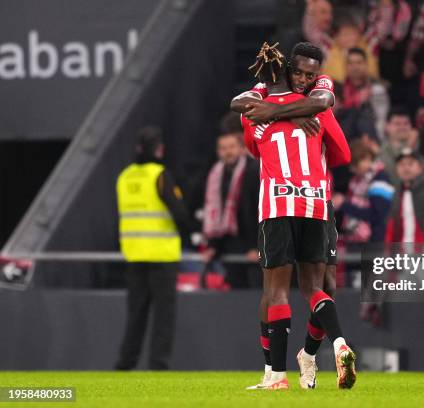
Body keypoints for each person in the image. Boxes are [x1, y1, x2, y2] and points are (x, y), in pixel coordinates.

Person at [241, 43, 355, 390]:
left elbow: (249, 132)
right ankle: (333, 346)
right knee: (315, 287)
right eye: (299, 73)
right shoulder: (313, 110)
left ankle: (290, 366)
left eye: (310, 73)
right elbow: (342, 153)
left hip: (282, 204)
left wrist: (278, 112)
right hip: (316, 203)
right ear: (288, 69)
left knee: (281, 290)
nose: (306, 79)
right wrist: (295, 114)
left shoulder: (260, 109)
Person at [115, 127, 194, 371]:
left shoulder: (125, 176)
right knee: (163, 316)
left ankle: (125, 364)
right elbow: (179, 212)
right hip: (162, 254)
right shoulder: (159, 175)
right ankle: (158, 365)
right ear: (157, 148)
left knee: (135, 315)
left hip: (134, 254)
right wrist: (189, 236)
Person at [202, 131, 260, 289]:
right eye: (223, 148)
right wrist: (213, 246)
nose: (228, 152)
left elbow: (262, 210)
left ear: (242, 148)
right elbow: (215, 212)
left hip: (254, 247)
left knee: (257, 293)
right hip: (230, 244)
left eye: (232, 147)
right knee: (235, 293)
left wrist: (257, 246)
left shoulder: (254, 170)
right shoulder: (216, 174)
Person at [386, 149, 424, 247]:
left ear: (420, 167)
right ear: (396, 169)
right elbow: (392, 226)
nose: (406, 168)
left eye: (410, 164)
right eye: (402, 164)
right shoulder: (396, 193)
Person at [341, 47, 390, 140]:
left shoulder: (376, 89)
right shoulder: (339, 89)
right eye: (351, 63)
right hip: (345, 138)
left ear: (366, 65)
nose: (355, 67)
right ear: (346, 66)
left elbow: (381, 120)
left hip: (371, 138)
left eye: (359, 63)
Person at [378, 108, 420, 186]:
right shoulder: (382, 150)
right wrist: (408, 147)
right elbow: (393, 176)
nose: (402, 127)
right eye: (397, 124)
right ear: (387, 126)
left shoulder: (421, 146)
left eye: (406, 123)